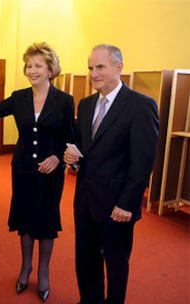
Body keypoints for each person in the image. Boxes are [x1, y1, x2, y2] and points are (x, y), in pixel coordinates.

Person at [0, 42, 75, 302]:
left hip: (49, 172)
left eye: (38, 65)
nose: (32, 70)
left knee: (46, 221)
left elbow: (70, 138)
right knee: (25, 220)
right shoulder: (19, 97)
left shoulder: (65, 101)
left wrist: (57, 158)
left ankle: (43, 272)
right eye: (29, 65)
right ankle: (26, 267)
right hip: (22, 169)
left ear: (51, 69)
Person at [64, 44, 159, 304]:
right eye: (91, 68)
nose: (93, 73)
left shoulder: (141, 106)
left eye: (100, 67)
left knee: (116, 264)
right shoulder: (85, 105)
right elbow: (84, 150)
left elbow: (142, 162)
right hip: (85, 200)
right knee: (85, 260)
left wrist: (127, 204)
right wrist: (72, 159)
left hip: (118, 206)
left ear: (119, 67)